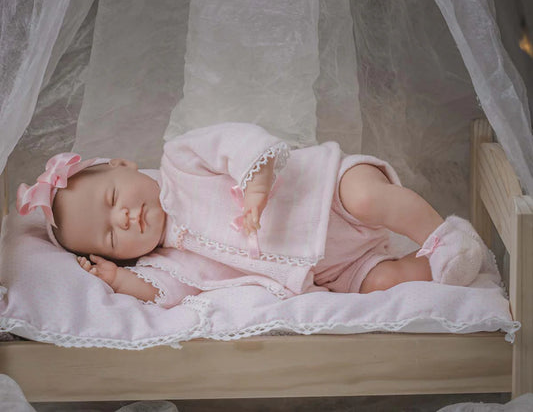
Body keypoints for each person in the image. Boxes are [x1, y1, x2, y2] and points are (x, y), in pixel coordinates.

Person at [16, 122, 485, 307]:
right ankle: (439, 267)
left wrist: (255, 180)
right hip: (334, 268)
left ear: (123, 165)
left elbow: (235, 140)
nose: (122, 219)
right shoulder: (169, 261)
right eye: (110, 237)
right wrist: (119, 280)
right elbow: (170, 293)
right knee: (381, 281)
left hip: (325, 193)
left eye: (112, 198)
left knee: (368, 197)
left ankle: (443, 235)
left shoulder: (180, 162)